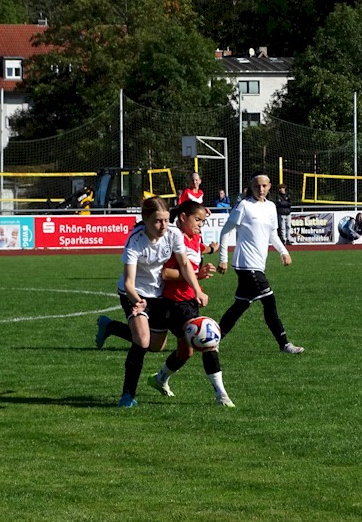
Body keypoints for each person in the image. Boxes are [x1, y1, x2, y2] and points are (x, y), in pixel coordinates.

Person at [97, 197, 208, 408]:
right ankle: (127, 395)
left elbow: (184, 264)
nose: (163, 226)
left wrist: (197, 290)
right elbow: (129, 282)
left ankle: (109, 326)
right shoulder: (135, 241)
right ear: (145, 219)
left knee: (156, 346)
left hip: (158, 295)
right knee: (142, 341)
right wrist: (138, 302)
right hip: (134, 293)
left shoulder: (174, 234)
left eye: (166, 220)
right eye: (158, 221)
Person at [148, 200, 234, 407]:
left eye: (203, 222)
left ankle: (159, 379)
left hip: (190, 302)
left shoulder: (194, 237)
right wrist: (198, 275)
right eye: (197, 220)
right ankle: (221, 395)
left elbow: (197, 250)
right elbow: (166, 273)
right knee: (208, 339)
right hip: (174, 303)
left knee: (185, 352)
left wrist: (210, 250)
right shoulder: (172, 239)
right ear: (184, 218)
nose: (200, 225)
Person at [217, 171, 304, 354]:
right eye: (257, 186)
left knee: (240, 305)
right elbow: (226, 231)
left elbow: (273, 233)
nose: (261, 189)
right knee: (269, 302)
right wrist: (223, 259)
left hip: (258, 264)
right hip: (246, 264)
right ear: (251, 187)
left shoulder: (271, 207)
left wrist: (283, 251)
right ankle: (284, 344)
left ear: (270, 186)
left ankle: (213, 339)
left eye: (264, 186)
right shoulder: (244, 206)